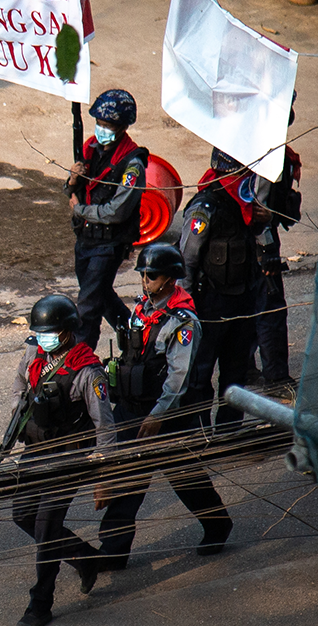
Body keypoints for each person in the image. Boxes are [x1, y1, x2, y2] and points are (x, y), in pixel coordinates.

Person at [97, 243, 232, 569]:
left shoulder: (183, 322)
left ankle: (217, 524)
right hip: (132, 408)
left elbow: (178, 378)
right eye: (143, 274)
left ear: (171, 279)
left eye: (152, 275)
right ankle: (113, 550)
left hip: (165, 415)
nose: (145, 281)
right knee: (126, 477)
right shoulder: (144, 308)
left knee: (185, 476)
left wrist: (158, 416)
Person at [4, 294, 112, 626]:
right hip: (36, 448)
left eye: (49, 332)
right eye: (39, 332)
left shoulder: (87, 371)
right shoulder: (34, 352)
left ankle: (40, 603)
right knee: (22, 515)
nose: (42, 338)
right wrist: (20, 417)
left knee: (47, 527)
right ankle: (84, 556)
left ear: (66, 332)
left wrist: (104, 475)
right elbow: (18, 385)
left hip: (68, 456)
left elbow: (105, 425)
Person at [179, 149, 267, 427]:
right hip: (209, 303)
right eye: (241, 173)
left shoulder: (248, 207)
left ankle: (229, 430)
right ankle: (199, 431)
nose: (246, 179)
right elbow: (187, 261)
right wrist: (187, 309)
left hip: (241, 301)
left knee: (236, 371)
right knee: (200, 373)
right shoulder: (206, 207)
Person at [66, 89, 148, 349]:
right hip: (86, 239)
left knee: (87, 306)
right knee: (101, 297)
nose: (102, 130)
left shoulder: (132, 163)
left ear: (122, 127)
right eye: (99, 124)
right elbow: (73, 192)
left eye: (108, 125)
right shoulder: (90, 148)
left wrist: (81, 211)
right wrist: (73, 179)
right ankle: (137, 336)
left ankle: (81, 357)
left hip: (109, 243)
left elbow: (117, 211)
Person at [248, 96, 303, 389]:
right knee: (269, 308)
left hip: (255, 237)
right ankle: (276, 376)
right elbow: (258, 209)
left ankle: (249, 367)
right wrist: (266, 245)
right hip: (259, 241)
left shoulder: (271, 151)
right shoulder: (263, 152)